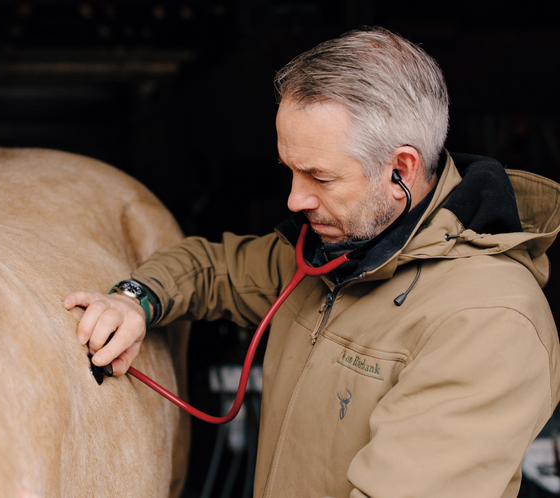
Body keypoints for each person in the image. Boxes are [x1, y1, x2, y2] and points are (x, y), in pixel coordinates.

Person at [64, 27, 560, 498]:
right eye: (291, 171)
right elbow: (211, 268)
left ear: (401, 169)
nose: (295, 200)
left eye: (319, 177)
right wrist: (136, 301)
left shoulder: (487, 322)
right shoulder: (331, 257)